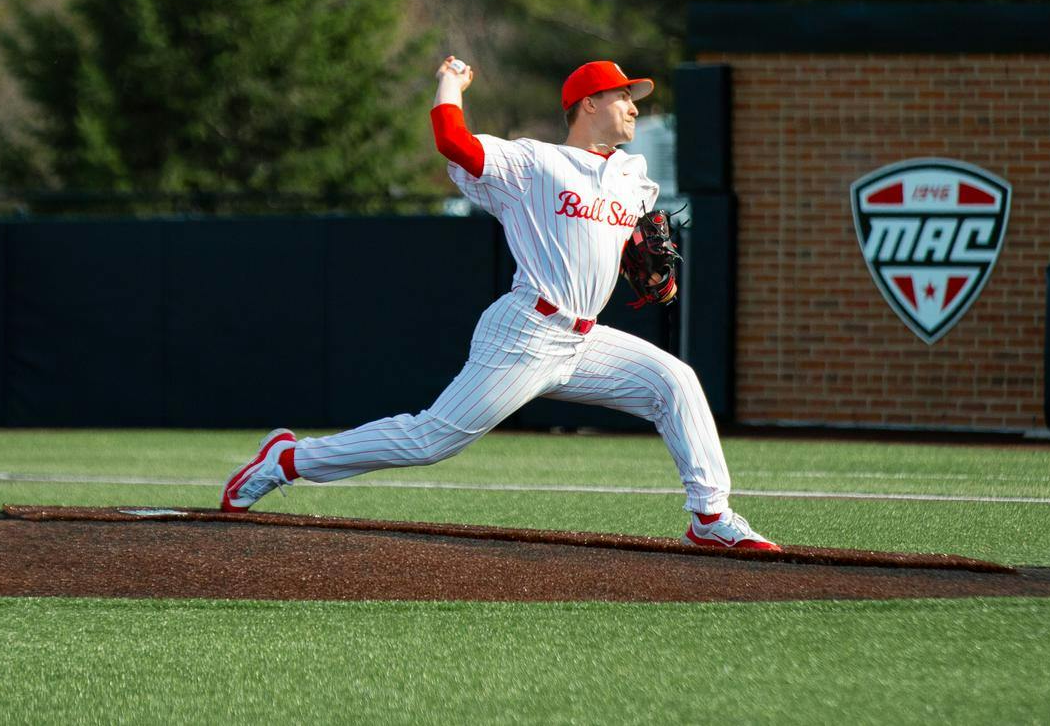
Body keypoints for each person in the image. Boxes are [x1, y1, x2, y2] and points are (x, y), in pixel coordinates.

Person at [218, 55, 779, 551]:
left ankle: (709, 516)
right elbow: (453, 142)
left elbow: (636, 239)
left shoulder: (634, 177)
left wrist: (635, 246)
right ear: (589, 103)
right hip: (526, 333)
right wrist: (450, 85)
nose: (633, 107)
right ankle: (288, 461)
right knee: (430, 440)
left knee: (675, 383)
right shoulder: (534, 164)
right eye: (623, 96)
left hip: (584, 340)